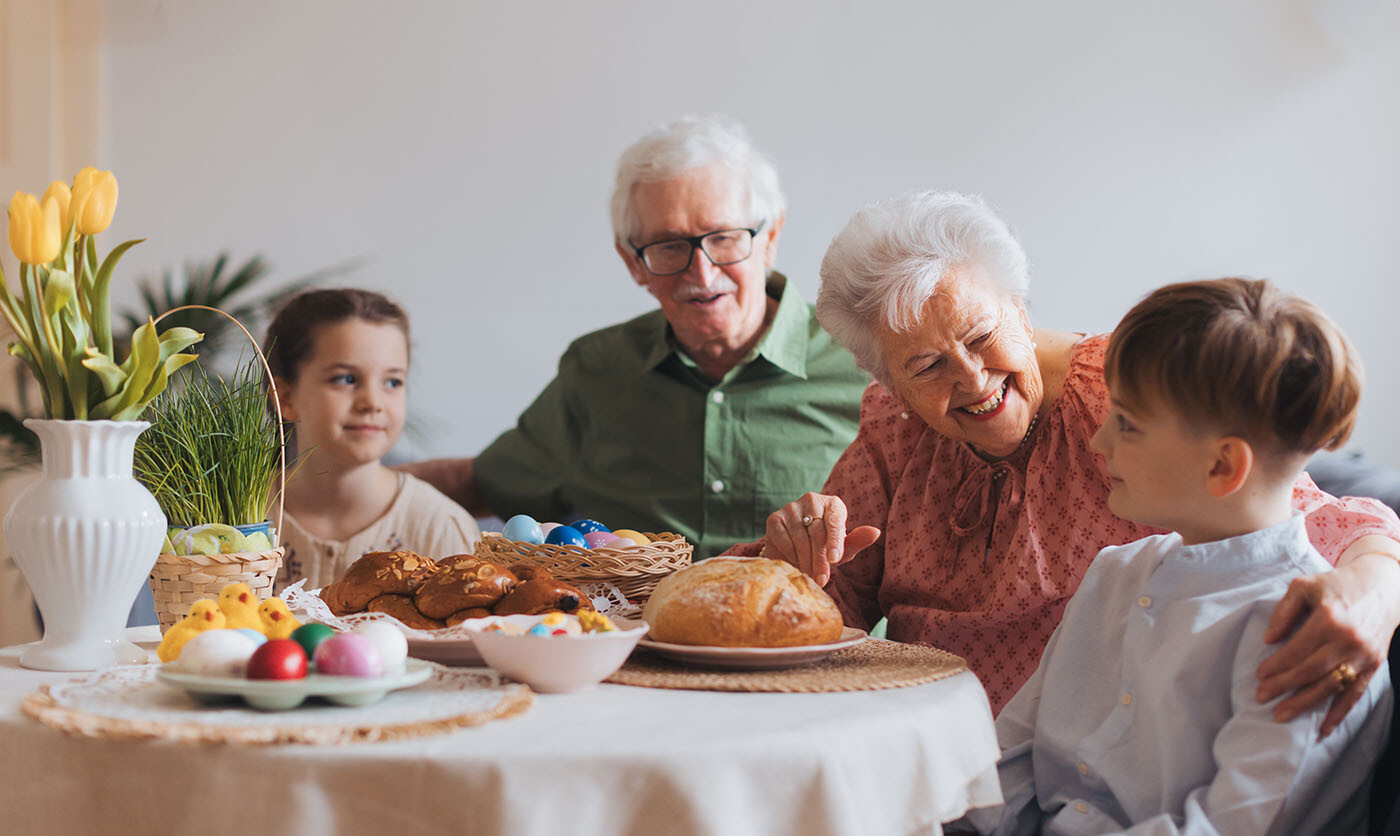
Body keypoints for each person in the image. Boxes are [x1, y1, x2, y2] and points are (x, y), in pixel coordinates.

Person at [727, 190, 1400, 729]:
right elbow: (831, 597)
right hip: (921, 755)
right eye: (927, 365)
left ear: (1018, 308)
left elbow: (1308, 518)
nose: (970, 378)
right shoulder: (895, 428)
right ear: (889, 383)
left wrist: (1377, 589)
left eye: (981, 334)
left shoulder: (1134, 397)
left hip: (1102, 771)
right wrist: (800, 564)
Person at [957, 278, 1391, 835]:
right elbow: (1009, 758)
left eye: (1128, 424)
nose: (1098, 441)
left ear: (1222, 467)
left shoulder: (1302, 638)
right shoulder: (1114, 573)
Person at [404, 115, 868, 558]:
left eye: (724, 238)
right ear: (633, 263)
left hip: (819, 637)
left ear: (769, 238)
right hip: (636, 638)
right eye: (670, 246)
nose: (702, 273)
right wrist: (345, 484)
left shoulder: (864, 358)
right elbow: (485, 483)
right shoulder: (596, 370)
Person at [264, 288, 481, 590]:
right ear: (286, 398)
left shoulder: (441, 528)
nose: (373, 402)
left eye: (392, 382)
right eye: (346, 379)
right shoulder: (240, 522)